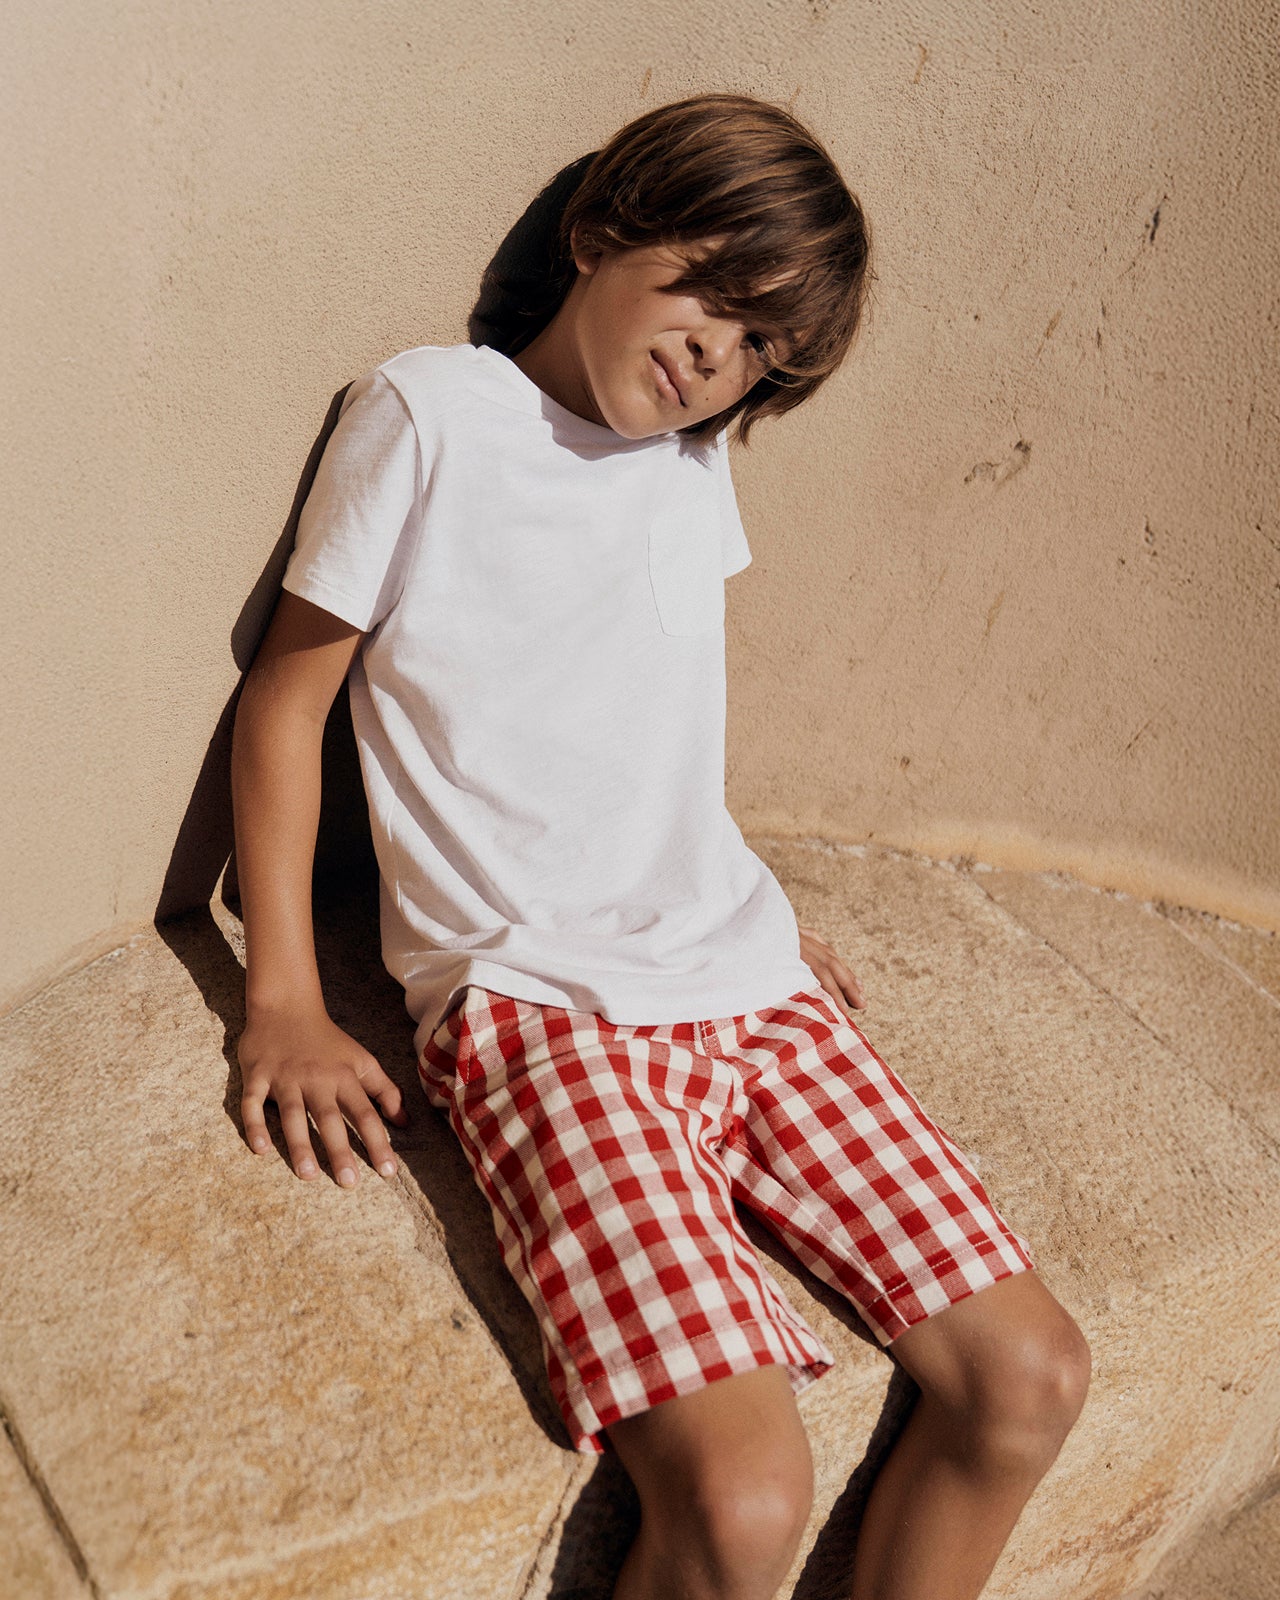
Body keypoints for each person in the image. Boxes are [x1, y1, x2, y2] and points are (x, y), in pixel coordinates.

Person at [231, 92, 1090, 1600]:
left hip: (754, 991)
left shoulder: (697, 468)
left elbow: (646, 701)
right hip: (544, 1014)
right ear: (600, 234)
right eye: (713, 291)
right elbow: (290, 700)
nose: (717, 357)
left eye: (763, 348)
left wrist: (724, 896)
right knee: (748, 1500)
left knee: (1028, 1377)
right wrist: (285, 1000)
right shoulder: (433, 415)